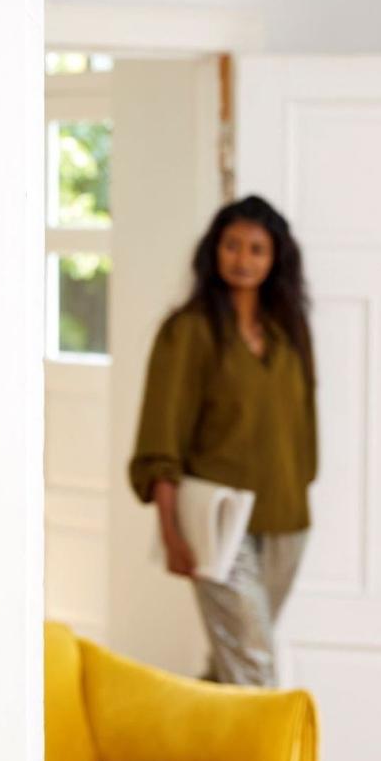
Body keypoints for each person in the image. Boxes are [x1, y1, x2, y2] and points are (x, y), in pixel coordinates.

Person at [129, 195, 316, 687]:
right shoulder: (187, 331)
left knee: (233, 659)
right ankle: (267, 746)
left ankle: (188, 735)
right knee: (253, 666)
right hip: (217, 522)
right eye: (232, 245)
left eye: (257, 249)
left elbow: (304, 424)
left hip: (288, 521)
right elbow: (160, 434)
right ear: (213, 250)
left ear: (276, 258)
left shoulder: (289, 331)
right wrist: (171, 531)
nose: (243, 259)